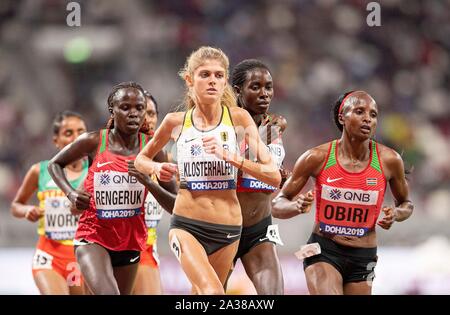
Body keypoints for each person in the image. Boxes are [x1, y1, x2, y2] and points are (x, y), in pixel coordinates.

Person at [134, 46, 281, 295]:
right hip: (187, 225)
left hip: (229, 228)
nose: (212, 80)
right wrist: (158, 167)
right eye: (204, 75)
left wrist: (232, 158)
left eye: (218, 75)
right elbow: (140, 160)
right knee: (213, 293)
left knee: (201, 294)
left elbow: (273, 175)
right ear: (190, 80)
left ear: (225, 82)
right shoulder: (175, 122)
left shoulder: (239, 119)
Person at [272, 90, 414, 295]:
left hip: (364, 256)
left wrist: (397, 214)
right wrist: (296, 206)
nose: (367, 119)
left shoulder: (389, 160)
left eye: (373, 115)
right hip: (322, 250)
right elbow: (278, 204)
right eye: (359, 112)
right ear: (342, 117)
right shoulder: (317, 157)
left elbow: (406, 204)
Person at [47, 81, 169, 295]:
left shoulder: (153, 149)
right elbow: (54, 164)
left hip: (130, 241)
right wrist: (71, 193)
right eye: (125, 107)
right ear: (113, 110)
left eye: (139, 108)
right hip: (93, 237)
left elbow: (174, 202)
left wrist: (148, 182)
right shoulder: (94, 141)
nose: (133, 113)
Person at [10, 110, 88, 295]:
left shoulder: (95, 171)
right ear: (56, 140)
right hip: (48, 257)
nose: (76, 137)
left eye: (80, 131)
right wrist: (27, 210)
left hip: (80, 259)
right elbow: (15, 205)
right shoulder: (40, 171)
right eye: (68, 133)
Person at [228, 59, 287, 294]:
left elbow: (271, 174)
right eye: (255, 87)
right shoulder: (223, 127)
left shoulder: (275, 126)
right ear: (237, 91)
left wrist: (281, 176)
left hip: (259, 229)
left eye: (268, 87)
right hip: (223, 229)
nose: (264, 94)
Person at [133, 91, 177, 295]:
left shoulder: (165, 157)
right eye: (142, 112)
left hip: (148, 245)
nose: (147, 119)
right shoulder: (112, 150)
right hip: (116, 245)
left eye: (152, 113)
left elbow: (178, 203)